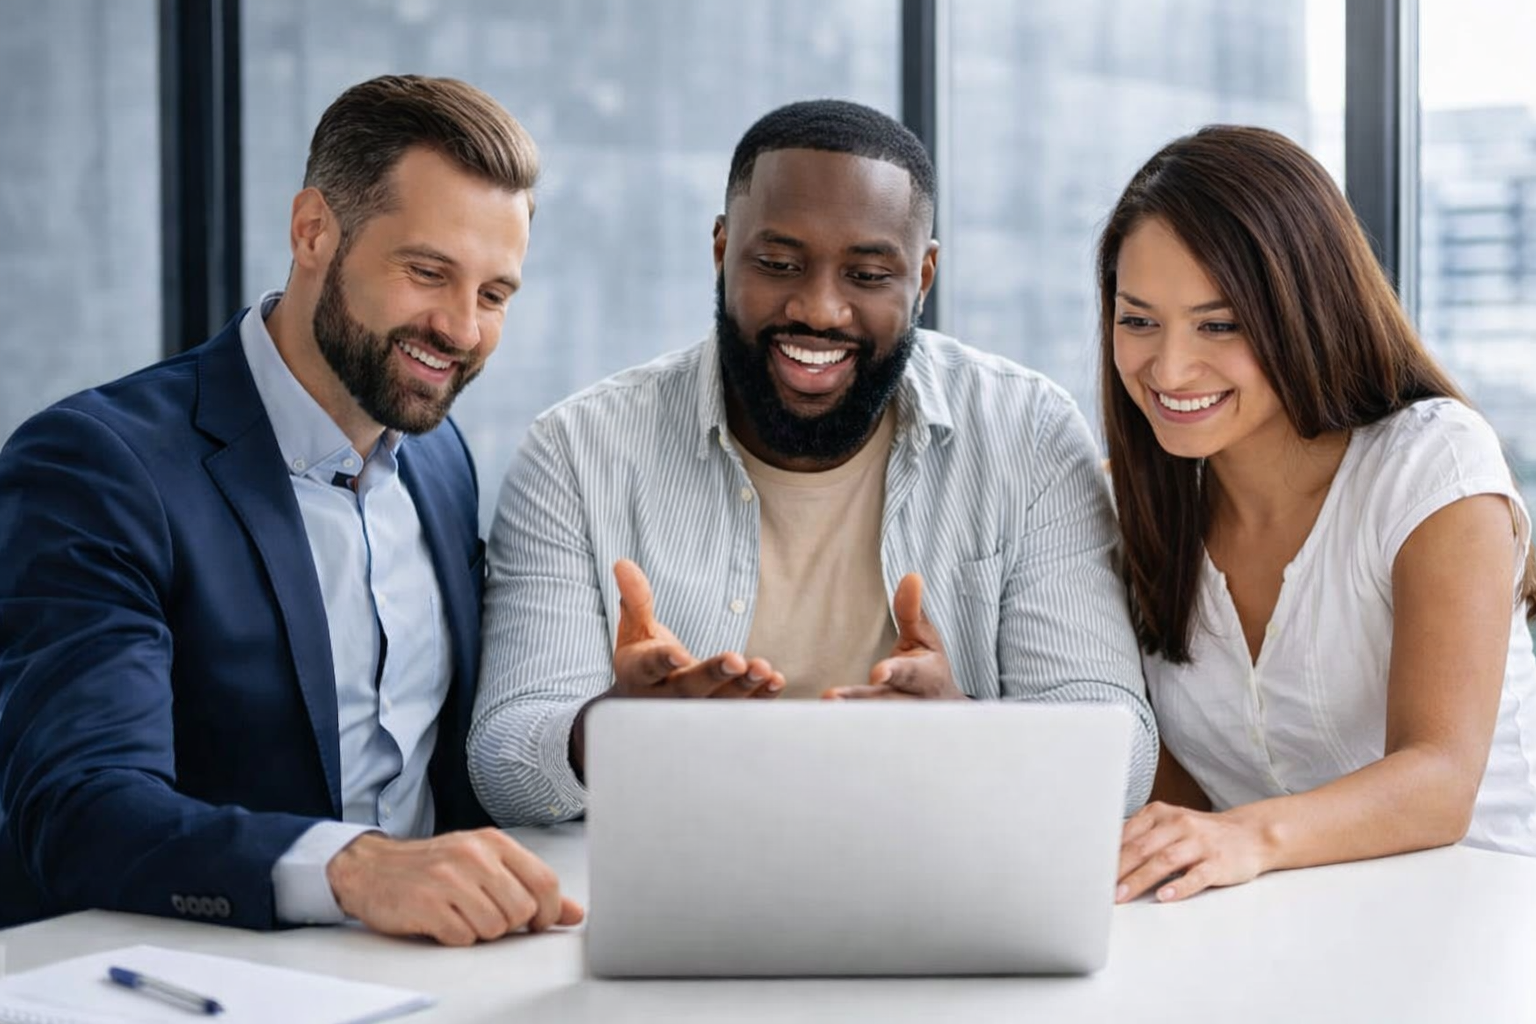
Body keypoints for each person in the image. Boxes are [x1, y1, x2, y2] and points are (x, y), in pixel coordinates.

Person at [0, 74, 581, 945]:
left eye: (494, 295)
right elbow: (81, 808)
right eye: (428, 272)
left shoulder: (439, 457)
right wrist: (353, 869)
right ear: (313, 231)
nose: (462, 330)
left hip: (441, 963)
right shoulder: (97, 467)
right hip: (204, 971)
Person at [469, 99, 1158, 826]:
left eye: (868, 274)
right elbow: (502, 762)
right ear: (721, 250)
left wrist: (964, 733)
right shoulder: (576, 453)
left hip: (940, 866)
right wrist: (609, 732)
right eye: (778, 264)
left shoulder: (1029, 435)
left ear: (923, 277)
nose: (821, 310)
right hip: (683, 871)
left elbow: (1121, 757)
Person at [1101, 125, 1536, 904]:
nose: (1168, 367)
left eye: (1219, 324)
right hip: (1277, 933)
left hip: (1484, 920)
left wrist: (1247, 837)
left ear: (1303, 310)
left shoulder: (1431, 463)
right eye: (1138, 320)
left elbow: (1439, 781)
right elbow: (1178, 808)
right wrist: (966, 714)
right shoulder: (1132, 506)